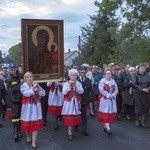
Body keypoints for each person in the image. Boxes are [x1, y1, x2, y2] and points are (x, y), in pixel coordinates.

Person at [20, 72, 45, 149]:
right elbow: (27, 94)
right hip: (27, 107)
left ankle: (34, 142)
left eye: (31, 77)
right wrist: (33, 88)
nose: (30, 78)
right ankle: (28, 136)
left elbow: (43, 94)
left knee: (35, 124)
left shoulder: (36, 84)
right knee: (27, 123)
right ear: (25, 78)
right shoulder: (23, 86)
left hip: (36, 106)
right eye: (27, 77)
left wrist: (39, 87)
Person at [61, 69, 84, 141]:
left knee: (75, 116)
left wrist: (76, 87)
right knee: (69, 116)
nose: (74, 77)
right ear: (69, 76)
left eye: (75, 75)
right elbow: (64, 93)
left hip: (76, 102)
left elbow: (82, 91)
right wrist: (69, 86)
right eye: (72, 75)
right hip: (68, 102)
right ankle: (69, 132)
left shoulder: (78, 83)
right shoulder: (66, 84)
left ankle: (74, 127)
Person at [98, 68, 118, 135]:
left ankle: (105, 126)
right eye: (107, 73)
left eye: (110, 73)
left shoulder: (113, 81)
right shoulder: (102, 81)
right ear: (105, 74)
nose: (109, 74)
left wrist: (113, 95)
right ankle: (108, 128)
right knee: (105, 113)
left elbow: (116, 90)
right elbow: (101, 90)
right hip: (104, 100)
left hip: (111, 100)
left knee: (108, 114)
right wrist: (108, 95)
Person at [5, 65, 23, 142]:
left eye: (14, 69)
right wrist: (19, 83)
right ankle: (15, 131)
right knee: (15, 116)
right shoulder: (8, 79)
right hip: (13, 100)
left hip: (21, 98)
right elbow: (11, 90)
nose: (13, 71)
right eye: (11, 70)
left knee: (20, 115)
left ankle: (19, 130)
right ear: (9, 70)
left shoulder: (20, 75)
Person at [78, 66, 93, 136]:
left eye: (84, 72)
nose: (83, 74)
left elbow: (91, 91)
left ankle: (84, 129)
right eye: (81, 72)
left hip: (84, 100)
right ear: (79, 72)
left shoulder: (88, 80)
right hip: (76, 100)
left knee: (84, 115)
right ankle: (76, 125)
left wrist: (90, 99)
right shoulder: (76, 80)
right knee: (77, 114)